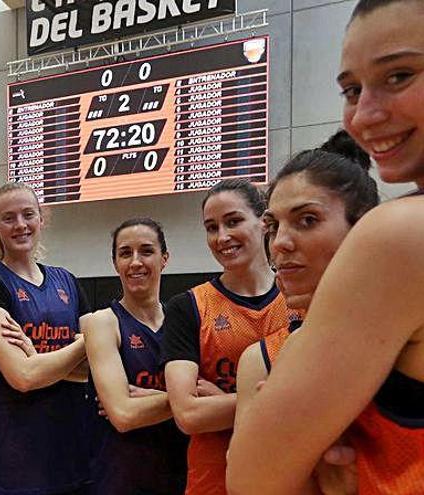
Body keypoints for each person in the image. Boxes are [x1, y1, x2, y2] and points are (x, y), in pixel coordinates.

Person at [227, 1, 424, 493]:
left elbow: (253, 480)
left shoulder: (399, 235)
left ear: (358, 225)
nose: (365, 113)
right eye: (351, 90)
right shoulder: (267, 352)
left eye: (399, 76)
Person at [231, 137, 378, 494]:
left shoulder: (407, 339)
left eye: (307, 220)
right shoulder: (266, 359)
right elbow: (244, 486)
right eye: (272, 226)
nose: (280, 242)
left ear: (365, 230)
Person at [161, 178, 295, 494]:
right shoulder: (188, 307)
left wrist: (228, 401)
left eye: (233, 221)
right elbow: (188, 415)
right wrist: (284, 400)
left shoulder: (298, 297)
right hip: (213, 482)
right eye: (211, 227)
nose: (222, 237)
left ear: (264, 223)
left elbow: (324, 397)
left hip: (291, 476)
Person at [0, 182, 91, 495]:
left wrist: (37, 357)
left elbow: (97, 368)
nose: (20, 224)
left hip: (75, 446)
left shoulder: (67, 280)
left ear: (41, 219)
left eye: (28, 214)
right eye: (9, 218)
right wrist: (81, 344)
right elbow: (22, 376)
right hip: (16, 455)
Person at [82, 218, 188, 494]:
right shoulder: (102, 322)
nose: (135, 262)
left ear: (164, 258)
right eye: (125, 253)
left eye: (147, 251)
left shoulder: (184, 321)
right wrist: (187, 402)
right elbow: (123, 414)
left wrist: (158, 400)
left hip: (181, 475)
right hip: (120, 479)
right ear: (115, 263)